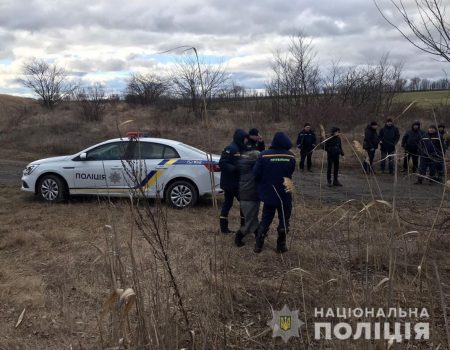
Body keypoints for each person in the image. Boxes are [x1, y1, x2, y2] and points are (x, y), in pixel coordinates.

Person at [253, 132, 296, 254]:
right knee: (284, 219)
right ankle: (281, 246)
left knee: (266, 219)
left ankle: (258, 245)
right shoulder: (291, 157)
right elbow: (291, 172)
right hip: (285, 194)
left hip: (269, 194)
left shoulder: (263, 155)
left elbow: (256, 173)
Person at [219, 129, 248, 233]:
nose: (246, 140)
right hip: (230, 183)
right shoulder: (230, 148)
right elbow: (222, 163)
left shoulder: (241, 149)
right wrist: (235, 168)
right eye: (245, 138)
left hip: (237, 183)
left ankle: (243, 227)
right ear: (240, 138)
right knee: (233, 203)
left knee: (234, 203)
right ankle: (225, 228)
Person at [235, 150, 260, 247]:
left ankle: (259, 235)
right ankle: (239, 237)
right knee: (250, 221)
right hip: (250, 197)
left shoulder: (245, 166)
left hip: (248, 196)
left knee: (253, 218)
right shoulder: (253, 167)